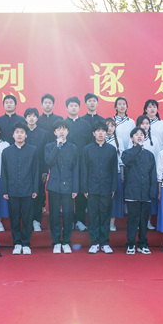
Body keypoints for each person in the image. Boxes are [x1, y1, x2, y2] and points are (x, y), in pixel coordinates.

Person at [1, 124, 39, 254]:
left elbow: (35, 170)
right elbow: (4, 172)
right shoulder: (6, 151)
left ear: (26, 135)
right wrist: (5, 190)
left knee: (28, 217)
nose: (19, 134)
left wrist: (35, 189)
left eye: (22, 132)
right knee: (14, 217)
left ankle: (26, 243)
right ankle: (17, 243)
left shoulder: (33, 150)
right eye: (17, 132)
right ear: (13, 135)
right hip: (12, 189)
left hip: (28, 189)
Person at [81, 121, 119, 254]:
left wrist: (113, 187)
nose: (101, 133)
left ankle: (105, 243)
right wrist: (85, 188)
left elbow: (114, 170)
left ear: (106, 133)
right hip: (92, 187)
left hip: (107, 187)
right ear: (94, 133)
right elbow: (84, 170)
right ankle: (94, 242)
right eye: (98, 131)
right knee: (93, 215)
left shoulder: (111, 149)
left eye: (103, 131)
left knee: (105, 215)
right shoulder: (87, 149)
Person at [45, 120, 79, 253]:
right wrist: (57, 146)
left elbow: (76, 168)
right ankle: (56, 242)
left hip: (68, 186)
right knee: (54, 215)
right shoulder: (49, 146)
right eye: (58, 129)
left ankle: (66, 241)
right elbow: (49, 161)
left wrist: (75, 188)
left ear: (68, 132)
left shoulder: (73, 148)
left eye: (64, 129)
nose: (61, 132)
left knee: (68, 214)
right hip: (54, 185)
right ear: (55, 132)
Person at [121, 127, 157, 255]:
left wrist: (152, 191)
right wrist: (138, 148)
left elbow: (153, 174)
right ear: (132, 138)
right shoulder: (127, 153)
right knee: (132, 220)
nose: (139, 136)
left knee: (143, 220)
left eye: (142, 134)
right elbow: (127, 161)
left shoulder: (149, 155)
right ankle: (131, 244)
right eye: (136, 134)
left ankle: (143, 244)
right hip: (132, 192)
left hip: (145, 192)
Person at [64, 96, 92, 232]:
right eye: (71, 105)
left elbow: (90, 143)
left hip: (82, 163)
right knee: (67, 193)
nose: (73, 108)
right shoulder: (62, 124)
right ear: (67, 107)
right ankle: (68, 221)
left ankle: (80, 220)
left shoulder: (86, 125)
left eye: (76, 105)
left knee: (81, 191)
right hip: (66, 164)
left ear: (79, 107)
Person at [24, 107, 48, 232]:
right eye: (29, 116)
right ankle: (27, 221)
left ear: (37, 118)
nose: (31, 118)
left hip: (39, 170)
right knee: (26, 196)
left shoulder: (44, 133)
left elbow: (45, 154)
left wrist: (45, 171)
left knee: (38, 195)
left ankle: (37, 221)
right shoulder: (22, 132)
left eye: (34, 116)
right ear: (25, 118)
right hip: (24, 170)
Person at [105, 118, 124, 231]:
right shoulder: (101, 139)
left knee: (114, 199)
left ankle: (112, 223)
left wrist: (122, 174)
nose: (110, 128)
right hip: (103, 174)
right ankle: (104, 222)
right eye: (108, 125)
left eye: (112, 126)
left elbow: (121, 159)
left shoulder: (119, 140)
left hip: (115, 172)